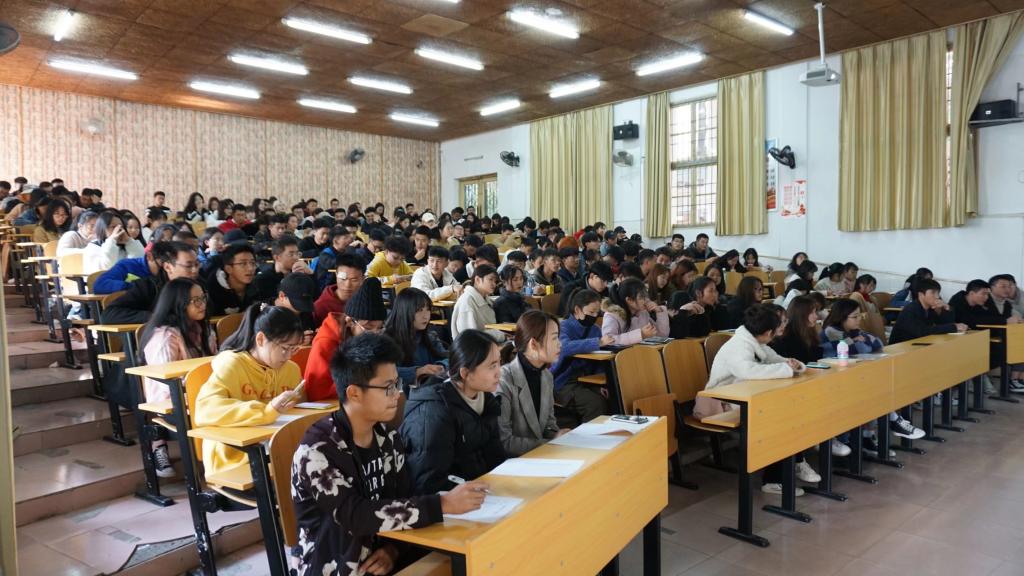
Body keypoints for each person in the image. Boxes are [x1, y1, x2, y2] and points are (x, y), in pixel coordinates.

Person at [291, 332, 486, 576]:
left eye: (397, 384)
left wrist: (393, 549)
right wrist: (443, 504)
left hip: (378, 558)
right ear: (354, 393)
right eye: (388, 387)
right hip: (331, 565)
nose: (397, 394)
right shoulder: (317, 451)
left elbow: (404, 498)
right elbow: (355, 515)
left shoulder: (388, 439)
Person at [194, 305, 305, 481]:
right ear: (260, 339)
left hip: (274, 450)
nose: (289, 356)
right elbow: (204, 411)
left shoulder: (291, 370)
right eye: (285, 348)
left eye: (294, 349)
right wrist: (267, 411)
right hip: (235, 458)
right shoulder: (232, 365)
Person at [400, 329, 507, 494]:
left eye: (499, 362)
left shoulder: (486, 400)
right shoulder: (433, 413)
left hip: (484, 493)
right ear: (465, 373)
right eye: (492, 366)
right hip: (449, 500)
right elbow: (427, 483)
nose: (499, 371)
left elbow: (496, 457)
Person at [138, 278, 217, 478]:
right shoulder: (164, 337)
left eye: (203, 298)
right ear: (178, 305)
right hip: (171, 399)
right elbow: (165, 382)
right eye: (195, 300)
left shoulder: (203, 328)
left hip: (200, 393)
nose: (202, 304)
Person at [823, 299, 927, 444]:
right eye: (855, 317)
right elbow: (854, 350)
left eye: (860, 315)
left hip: (853, 375)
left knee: (878, 385)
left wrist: (856, 339)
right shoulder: (832, 331)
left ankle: (871, 434)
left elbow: (877, 342)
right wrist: (858, 341)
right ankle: (893, 421)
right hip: (834, 380)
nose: (859, 319)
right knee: (873, 389)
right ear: (842, 317)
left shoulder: (852, 330)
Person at [694, 305, 803, 429]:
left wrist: (792, 364)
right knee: (775, 405)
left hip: (741, 394)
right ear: (768, 333)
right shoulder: (739, 345)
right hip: (720, 401)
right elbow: (749, 371)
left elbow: (775, 359)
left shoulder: (756, 341)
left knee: (780, 400)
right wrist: (785, 369)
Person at [770, 295, 851, 456]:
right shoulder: (788, 337)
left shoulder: (809, 333)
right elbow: (797, 367)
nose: (816, 316)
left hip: (808, 380)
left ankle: (839, 436)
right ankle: (824, 437)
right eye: (813, 312)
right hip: (793, 386)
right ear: (802, 314)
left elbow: (814, 360)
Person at [496, 310, 568, 456]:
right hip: (514, 462)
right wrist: (551, 443)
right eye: (554, 338)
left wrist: (558, 435)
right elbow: (504, 442)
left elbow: (548, 425)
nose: (560, 344)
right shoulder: (503, 380)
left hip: (540, 456)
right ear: (533, 344)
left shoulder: (546, 376)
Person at [305, 278, 388, 401]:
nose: (374, 334)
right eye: (368, 328)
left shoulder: (369, 340)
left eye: (379, 328)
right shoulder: (326, 342)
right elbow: (316, 392)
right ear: (350, 322)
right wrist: (364, 383)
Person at [102, 241, 200, 324]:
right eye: (188, 266)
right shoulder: (148, 286)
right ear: (168, 267)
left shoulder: (199, 284)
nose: (195, 270)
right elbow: (109, 314)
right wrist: (158, 317)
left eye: (197, 264)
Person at [384, 287, 447, 389]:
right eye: (419, 310)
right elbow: (384, 372)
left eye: (428, 310)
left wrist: (441, 366)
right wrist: (418, 371)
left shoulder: (430, 337)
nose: (425, 316)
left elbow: (449, 358)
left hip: (430, 390)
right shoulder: (387, 341)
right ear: (404, 311)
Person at [889, 278, 967, 344]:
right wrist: (953, 327)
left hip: (917, 345)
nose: (937, 296)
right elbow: (922, 331)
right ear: (921, 294)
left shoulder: (930, 309)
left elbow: (945, 324)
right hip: (900, 348)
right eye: (933, 292)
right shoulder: (911, 309)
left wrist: (946, 308)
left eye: (938, 293)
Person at [601, 278, 669, 345]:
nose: (646, 300)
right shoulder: (612, 315)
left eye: (646, 296)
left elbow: (662, 336)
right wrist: (641, 334)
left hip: (642, 351)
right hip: (624, 352)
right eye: (641, 297)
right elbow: (608, 341)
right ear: (629, 300)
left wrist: (659, 311)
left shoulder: (642, 312)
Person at [451, 264, 505, 341]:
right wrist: (500, 335)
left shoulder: (486, 299)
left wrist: (501, 335)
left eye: (495, 281)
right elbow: (469, 337)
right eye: (490, 279)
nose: (494, 284)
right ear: (477, 280)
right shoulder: (467, 301)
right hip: (473, 347)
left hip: (488, 343)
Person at [205, 243, 260, 316]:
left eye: (252, 263)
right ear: (228, 269)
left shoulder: (259, 284)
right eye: (243, 264)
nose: (250, 268)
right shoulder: (212, 292)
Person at [254, 235, 313, 302]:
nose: (296, 258)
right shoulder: (263, 280)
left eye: (297, 253)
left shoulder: (300, 275)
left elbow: (313, 298)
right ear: (277, 257)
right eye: (291, 254)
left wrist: (310, 273)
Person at [313, 254, 366, 326]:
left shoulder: (367, 301)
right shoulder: (321, 306)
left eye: (354, 280)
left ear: (363, 279)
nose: (347, 285)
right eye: (343, 278)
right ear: (336, 275)